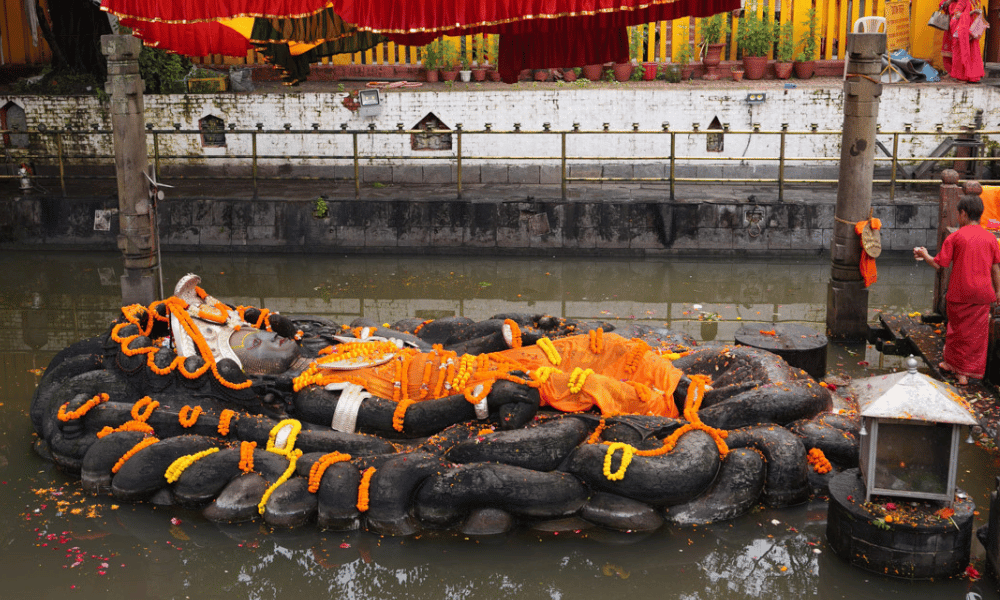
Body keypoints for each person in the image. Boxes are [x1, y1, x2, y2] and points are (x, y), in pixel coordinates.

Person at [914, 195, 1000, 384]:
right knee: (976, 335)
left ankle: (960, 371)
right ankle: (962, 368)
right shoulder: (991, 238)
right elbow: (995, 268)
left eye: (958, 213)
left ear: (963, 213)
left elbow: (939, 264)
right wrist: (999, 291)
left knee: (956, 330)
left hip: (960, 291)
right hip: (983, 293)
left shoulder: (955, 237)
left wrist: (924, 254)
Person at [939, 0, 985, 83]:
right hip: (962, 30)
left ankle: (971, 77)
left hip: (972, 30)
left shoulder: (976, 1)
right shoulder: (964, 1)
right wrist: (972, 13)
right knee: (962, 53)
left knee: (972, 53)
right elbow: (956, 15)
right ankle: (962, 77)